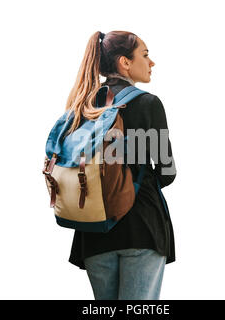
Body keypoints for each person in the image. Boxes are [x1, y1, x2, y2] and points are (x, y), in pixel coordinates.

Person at [63, 30, 177, 300]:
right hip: (141, 226)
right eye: (145, 55)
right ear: (125, 62)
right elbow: (167, 171)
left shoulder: (83, 106)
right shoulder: (147, 103)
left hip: (93, 229)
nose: (151, 63)